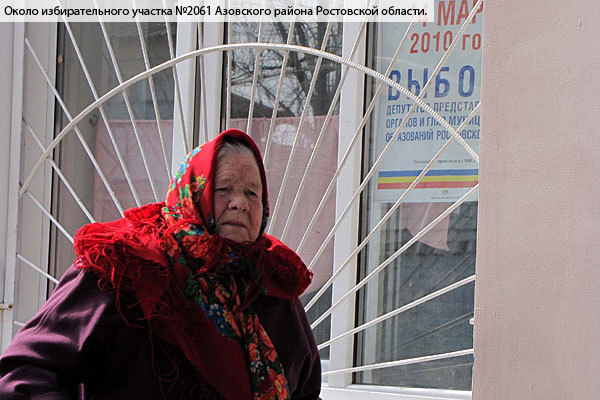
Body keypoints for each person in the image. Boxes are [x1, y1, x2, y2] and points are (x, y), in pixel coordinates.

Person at [0, 129, 322, 399]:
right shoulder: (127, 265)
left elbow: (306, 392)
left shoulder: (273, 285)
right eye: (223, 188)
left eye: (252, 193)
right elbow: (24, 374)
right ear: (192, 193)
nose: (240, 203)